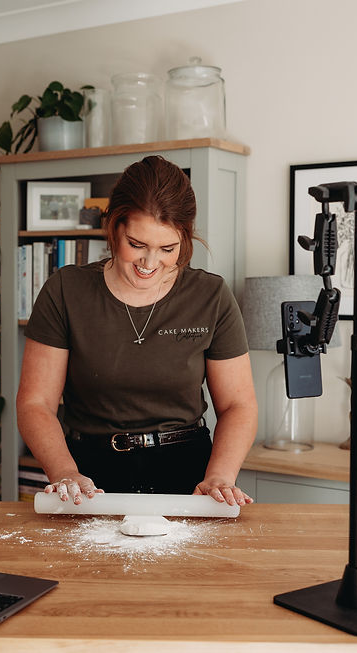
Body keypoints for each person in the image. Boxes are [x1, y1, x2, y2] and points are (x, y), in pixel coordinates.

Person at [16, 155, 257, 507]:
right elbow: (35, 403)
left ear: (185, 238)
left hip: (190, 475)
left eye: (167, 249)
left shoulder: (211, 296)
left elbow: (238, 405)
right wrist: (65, 472)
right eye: (137, 244)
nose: (149, 263)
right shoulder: (65, 290)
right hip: (89, 479)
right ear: (114, 226)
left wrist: (219, 476)